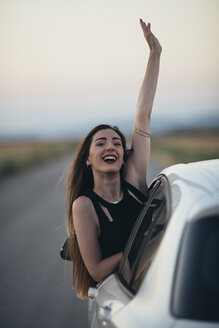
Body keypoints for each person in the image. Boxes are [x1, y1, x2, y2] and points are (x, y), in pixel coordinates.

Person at [65, 18, 162, 298]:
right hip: (125, 298)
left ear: (123, 157)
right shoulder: (84, 205)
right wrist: (149, 246)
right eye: (101, 143)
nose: (111, 146)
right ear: (88, 158)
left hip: (163, 284)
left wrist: (155, 54)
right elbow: (96, 270)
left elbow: (143, 115)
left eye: (117, 143)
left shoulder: (134, 177)